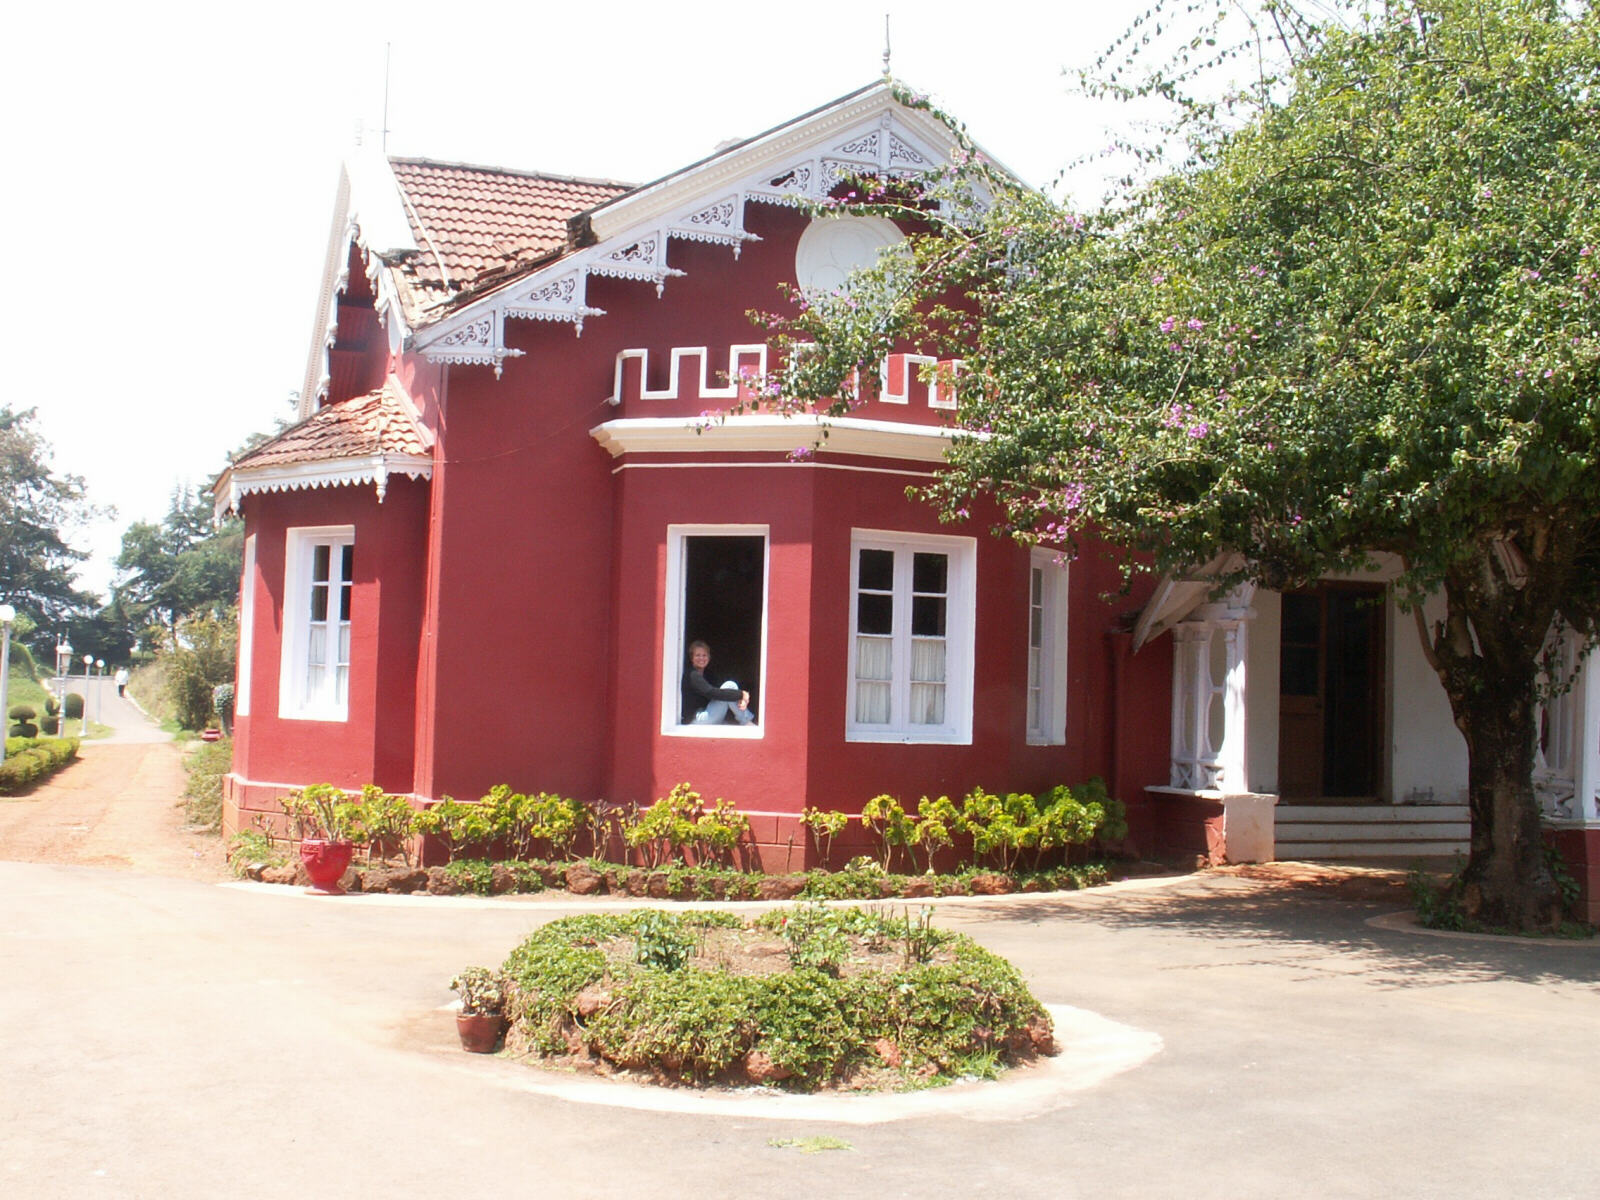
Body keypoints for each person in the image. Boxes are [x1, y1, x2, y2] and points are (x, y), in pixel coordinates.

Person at [681, 641, 755, 725]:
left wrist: (740, 697)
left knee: (729, 726)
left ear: (709, 657)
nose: (701, 658)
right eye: (697, 655)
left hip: (708, 714)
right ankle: (746, 722)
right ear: (692, 658)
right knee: (730, 685)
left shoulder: (708, 674)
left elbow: (721, 694)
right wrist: (741, 694)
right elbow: (711, 692)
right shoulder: (692, 674)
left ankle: (745, 720)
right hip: (696, 719)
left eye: (704, 655)